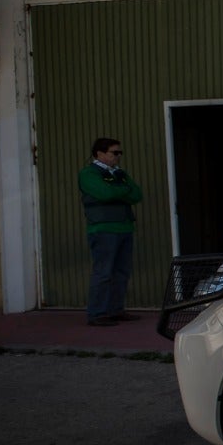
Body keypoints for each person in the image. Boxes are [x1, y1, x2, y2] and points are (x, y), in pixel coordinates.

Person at [80, 137, 143, 326]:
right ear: (99, 153)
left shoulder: (120, 174)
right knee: (104, 272)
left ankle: (116, 310)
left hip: (124, 227)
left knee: (121, 272)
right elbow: (104, 194)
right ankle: (97, 313)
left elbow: (137, 194)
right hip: (103, 229)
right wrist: (122, 191)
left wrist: (117, 190)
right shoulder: (88, 173)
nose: (118, 156)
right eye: (114, 152)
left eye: (119, 153)